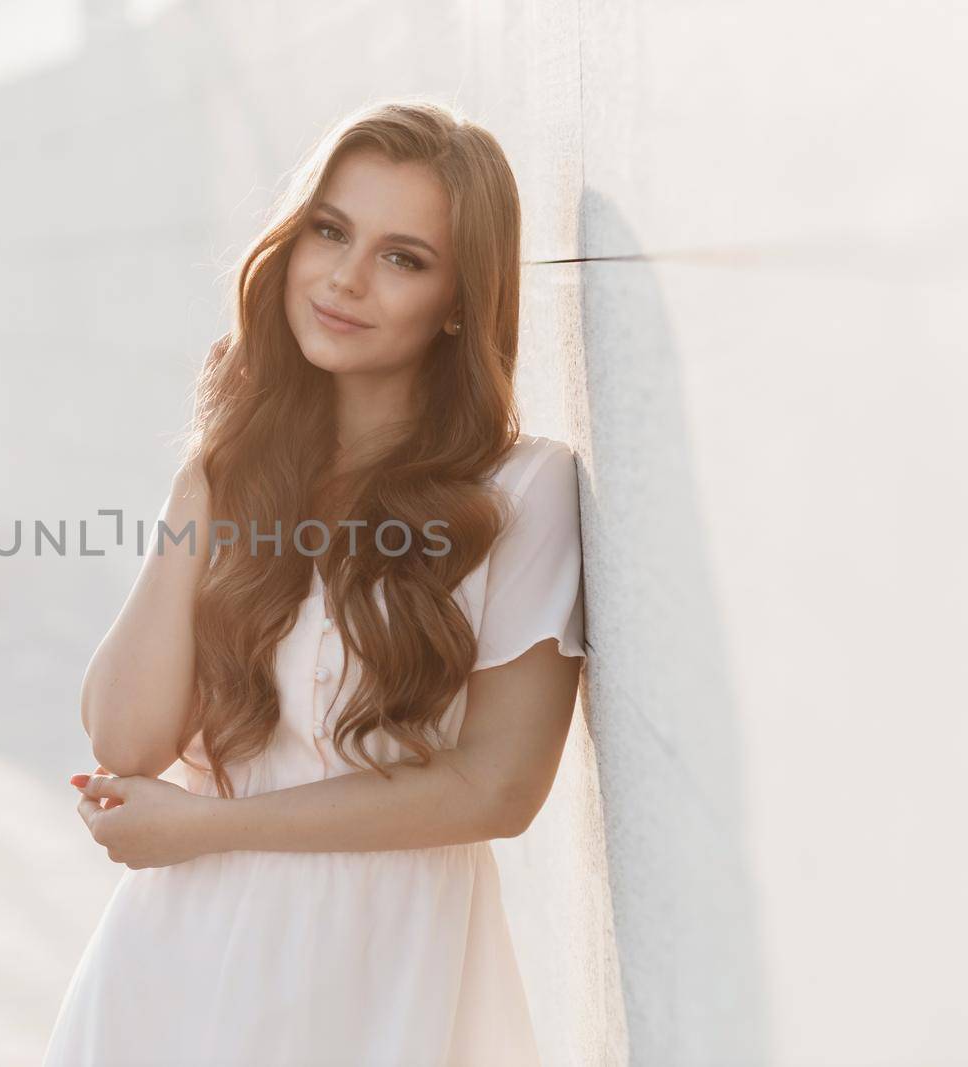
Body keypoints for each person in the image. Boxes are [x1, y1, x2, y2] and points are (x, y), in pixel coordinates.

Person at [43, 99, 587, 1066]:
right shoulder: (238, 475)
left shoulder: (518, 490)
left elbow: (497, 789)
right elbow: (126, 740)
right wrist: (204, 473)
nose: (344, 277)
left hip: (378, 965)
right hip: (171, 965)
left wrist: (210, 826)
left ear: (460, 299)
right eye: (330, 231)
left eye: (402, 256)